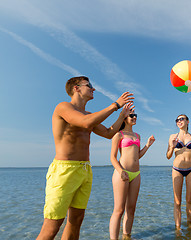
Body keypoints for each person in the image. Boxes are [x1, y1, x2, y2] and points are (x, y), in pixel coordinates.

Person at [36, 76, 134, 240]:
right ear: (76, 88)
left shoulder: (89, 114)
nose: (93, 89)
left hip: (85, 170)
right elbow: (85, 123)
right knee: (52, 226)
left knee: (76, 221)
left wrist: (121, 116)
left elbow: (109, 133)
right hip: (63, 171)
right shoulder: (63, 107)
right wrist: (116, 105)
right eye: (89, 86)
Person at [109, 111, 155, 240]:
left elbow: (137, 156)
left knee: (131, 209)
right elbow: (112, 157)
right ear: (124, 118)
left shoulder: (137, 135)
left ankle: (127, 236)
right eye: (131, 115)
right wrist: (120, 171)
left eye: (136, 115)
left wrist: (148, 145)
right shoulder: (118, 135)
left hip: (136, 174)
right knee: (119, 210)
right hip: (122, 173)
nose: (134, 117)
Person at [166, 114, 191, 230]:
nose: (179, 121)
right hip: (177, 169)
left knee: (189, 200)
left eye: (181, 119)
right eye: (177, 120)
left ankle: (189, 225)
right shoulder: (173, 136)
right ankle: (178, 228)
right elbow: (168, 156)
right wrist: (172, 147)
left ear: (187, 121)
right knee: (177, 202)